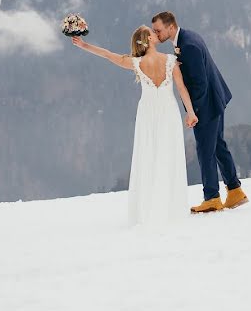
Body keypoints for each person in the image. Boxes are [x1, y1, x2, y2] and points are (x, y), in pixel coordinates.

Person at [72, 25, 192, 226]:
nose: (156, 34)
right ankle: (170, 207)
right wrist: (190, 112)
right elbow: (181, 88)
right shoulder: (171, 61)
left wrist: (84, 45)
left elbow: (108, 55)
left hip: (147, 113)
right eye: (153, 33)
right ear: (149, 40)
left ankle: (149, 208)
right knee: (168, 156)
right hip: (168, 112)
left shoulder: (136, 63)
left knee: (148, 157)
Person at [151, 11, 248, 213]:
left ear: (170, 27)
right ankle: (235, 190)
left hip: (206, 104)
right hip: (216, 98)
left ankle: (212, 197)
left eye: (158, 30)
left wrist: (193, 112)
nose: (156, 34)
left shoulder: (188, 46)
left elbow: (199, 84)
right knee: (218, 146)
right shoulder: (187, 38)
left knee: (205, 150)